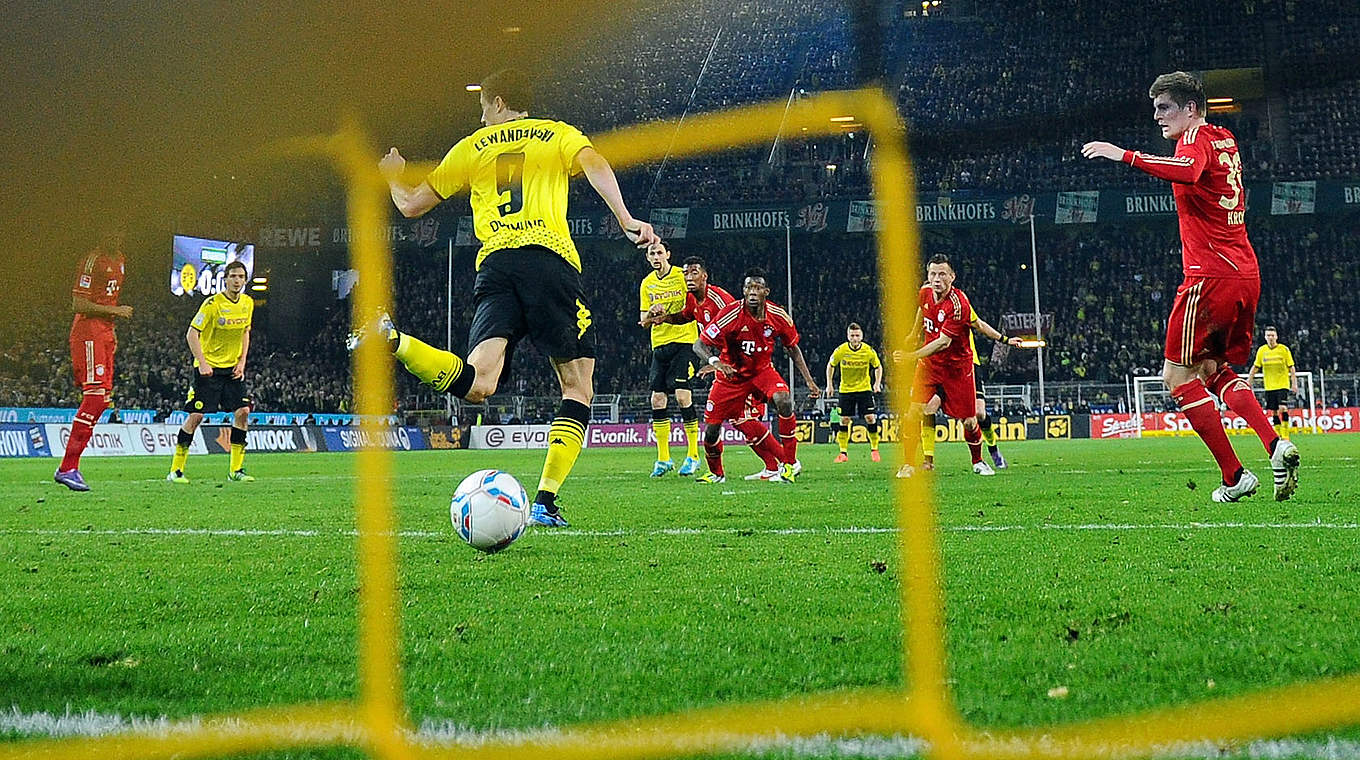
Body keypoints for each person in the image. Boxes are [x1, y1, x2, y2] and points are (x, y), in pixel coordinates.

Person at [351, 68, 657, 527]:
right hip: (548, 260)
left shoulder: (470, 148)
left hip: (494, 268)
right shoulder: (556, 134)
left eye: (481, 109)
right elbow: (594, 163)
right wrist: (625, 217)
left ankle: (395, 341)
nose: (480, 118)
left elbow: (411, 205)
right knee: (577, 389)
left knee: (478, 384)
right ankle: (545, 502)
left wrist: (394, 176)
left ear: (496, 103)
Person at [1082, 70, 1299, 501]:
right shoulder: (1225, 137)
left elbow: (1188, 170)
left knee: (1176, 376)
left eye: (1165, 108)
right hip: (1244, 273)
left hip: (1209, 276)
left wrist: (1124, 155)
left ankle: (1235, 475)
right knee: (1214, 370)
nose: (1158, 117)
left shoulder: (1194, 141)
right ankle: (1275, 445)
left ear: (1191, 109)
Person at [643, 256, 785, 481]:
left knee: (743, 420)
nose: (689, 277)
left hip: (745, 369)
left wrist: (719, 362)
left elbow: (743, 328)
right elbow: (685, 317)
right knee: (738, 420)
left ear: (705, 276)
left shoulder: (721, 301)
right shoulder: (693, 299)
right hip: (727, 369)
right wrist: (664, 318)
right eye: (686, 273)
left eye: (694, 272)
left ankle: (787, 462)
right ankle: (773, 466)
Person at [691, 268, 821, 483]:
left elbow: (793, 348)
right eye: (748, 287)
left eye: (757, 287)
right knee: (711, 431)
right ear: (743, 291)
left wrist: (809, 380)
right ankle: (716, 474)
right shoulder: (730, 315)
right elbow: (699, 345)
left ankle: (788, 465)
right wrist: (716, 363)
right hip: (731, 377)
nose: (752, 291)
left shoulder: (778, 316)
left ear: (765, 292)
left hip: (762, 372)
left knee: (783, 400)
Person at [897, 255, 1021, 479]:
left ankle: (979, 460)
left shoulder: (958, 304)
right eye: (933, 274)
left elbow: (944, 342)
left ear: (952, 277)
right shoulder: (924, 293)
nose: (937, 279)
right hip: (929, 367)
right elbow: (921, 309)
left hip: (957, 369)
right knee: (913, 412)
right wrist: (914, 333)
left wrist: (911, 355)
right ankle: (908, 464)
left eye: (942, 274)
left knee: (970, 419)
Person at [55, 230, 131, 491]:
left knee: (102, 401)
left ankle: (69, 468)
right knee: (95, 397)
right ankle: (67, 467)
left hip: (104, 332)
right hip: (88, 331)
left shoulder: (120, 259)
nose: (116, 236)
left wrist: (112, 330)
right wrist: (115, 312)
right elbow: (78, 303)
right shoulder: (92, 260)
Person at [167, 260, 255, 483]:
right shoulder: (211, 304)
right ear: (225, 279)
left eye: (241, 277)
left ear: (245, 280)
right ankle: (176, 470)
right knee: (196, 416)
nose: (237, 281)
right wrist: (203, 362)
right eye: (233, 276)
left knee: (243, 412)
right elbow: (191, 334)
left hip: (232, 369)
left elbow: (245, 332)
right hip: (209, 369)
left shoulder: (247, 303)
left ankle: (236, 470)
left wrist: (242, 361)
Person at [916, 305, 1016, 471]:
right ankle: (928, 460)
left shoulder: (958, 306)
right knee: (928, 408)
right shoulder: (928, 311)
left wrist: (1004, 339)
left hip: (967, 366)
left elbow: (980, 325)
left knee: (978, 414)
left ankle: (993, 449)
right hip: (941, 368)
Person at [637, 242, 701, 478]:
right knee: (657, 399)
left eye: (659, 253)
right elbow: (642, 320)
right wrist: (652, 312)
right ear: (647, 257)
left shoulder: (681, 276)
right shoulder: (646, 284)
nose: (656, 256)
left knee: (683, 395)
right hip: (660, 344)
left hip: (685, 341)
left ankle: (693, 455)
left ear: (668, 255)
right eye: (652, 253)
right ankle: (663, 458)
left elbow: (694, 304)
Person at [825, 323, 883, 463]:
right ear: (848, 336)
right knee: (844, 420)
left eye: (857, 335)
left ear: (862, 336)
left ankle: (874, 450)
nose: (855, 338)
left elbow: (878, 366)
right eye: (852, 336)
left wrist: (876, 383)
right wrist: (829, 385)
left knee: (870, 418)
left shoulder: (868, 351)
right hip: (846, 390)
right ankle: (843, 453)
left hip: (864, 389)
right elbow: (831, 365)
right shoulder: (841, 350)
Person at [1247, 326, 1297, 440]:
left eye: (1272, 335)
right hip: (1269, 386)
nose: (1270, 338)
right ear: (1265, 337)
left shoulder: (1284, 350)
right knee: (1274, 411)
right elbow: (1255, 367)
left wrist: (1294, 384)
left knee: (1283, 408)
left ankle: (1285, 434)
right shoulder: (1262, 351)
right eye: (1268, 335)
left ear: (1276, 337)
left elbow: (1291, 367)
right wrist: (1249, 380)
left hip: (1283, 384)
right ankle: (1278, 434)